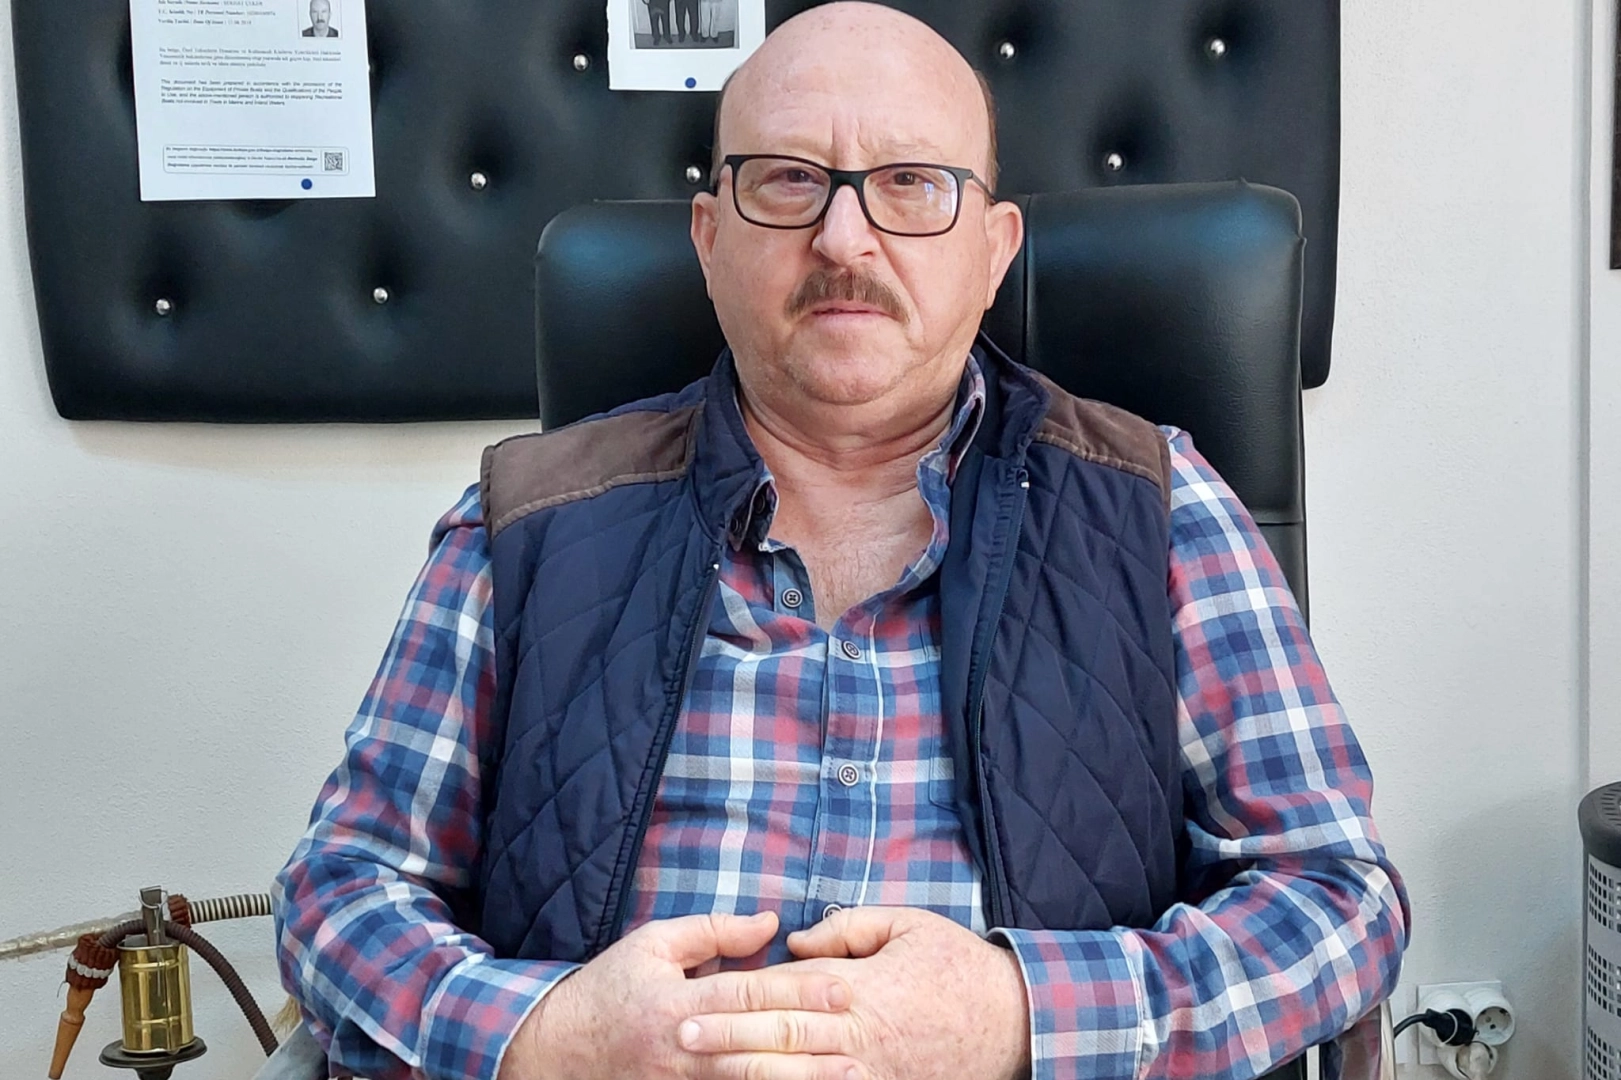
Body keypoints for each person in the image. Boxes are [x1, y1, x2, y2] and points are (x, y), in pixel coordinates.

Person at [271, 5, 1409, 1080]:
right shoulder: (524, 522)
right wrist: (551, 1036)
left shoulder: (1157, 506)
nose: (844, 237)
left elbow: (1337, 898)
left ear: (992, 249)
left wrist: (1020, 1015)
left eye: (910, 182)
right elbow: (340, 894)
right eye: (788, 180)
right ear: (710, 237)